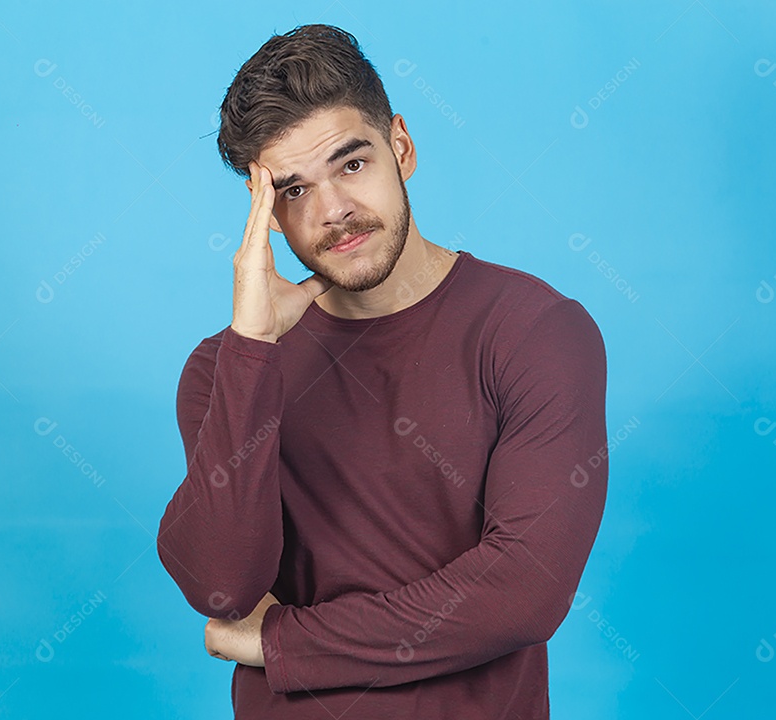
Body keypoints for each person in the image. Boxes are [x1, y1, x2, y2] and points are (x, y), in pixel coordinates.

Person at [157, 23, 609, 719]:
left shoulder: (533, 331)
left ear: (401, 146)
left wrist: (282, 642)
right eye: (296, 191)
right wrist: (254, 348)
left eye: (353, 164)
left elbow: (522, 591)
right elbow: (222, 587)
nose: (335, 210)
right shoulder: (226, 367)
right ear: (267, 212)